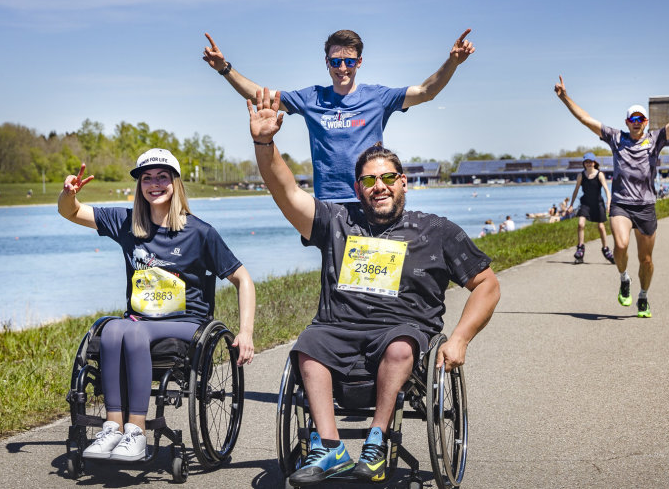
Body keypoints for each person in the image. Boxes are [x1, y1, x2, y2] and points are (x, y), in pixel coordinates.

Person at [247, 88, 500, 485]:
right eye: (368, 180)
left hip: (403, 332)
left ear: (403, 182)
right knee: (308, 346)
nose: (378, 186)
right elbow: (286, 192)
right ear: (357, 187)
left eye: (386, 178)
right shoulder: (336, 221)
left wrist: (461, 339)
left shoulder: (435, 230)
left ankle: (376, 443)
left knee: (400, 346)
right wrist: (265, 142)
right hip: (339, 328)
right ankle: (329, 448)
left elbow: (486, 284)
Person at [58, 149, 256, 462]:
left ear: (175, 183)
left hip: (187, 322)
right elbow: (71, 212)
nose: (154, 184)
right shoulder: (127, 222)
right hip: (139, 320)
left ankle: (136, 433)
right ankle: (112, 427)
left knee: (133, 332)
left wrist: (246, 332)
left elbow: (243, 279)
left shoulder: (200, 232)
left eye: (163, 177)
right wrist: (67, 194)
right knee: (111, 330)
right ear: (139, 186)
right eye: (147, 178)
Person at [203, 29, 476, 202]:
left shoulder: (377, 97)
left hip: (373, 199)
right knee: (334, 283)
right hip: (329, 203)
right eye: (335, 61)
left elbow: (426, 91)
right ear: (327, 63)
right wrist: (224, 68)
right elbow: (260, 95)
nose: (342, 67)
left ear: (359, 62)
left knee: (373, 282)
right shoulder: (311, 98)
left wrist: (453, 62)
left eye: (348, 61)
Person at [554, 72, 669, 319]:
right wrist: (565, 98)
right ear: (627, 122)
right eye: (632, 119)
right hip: (621, 205)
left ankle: (643, 297)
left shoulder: (655, 139)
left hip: (646, 206)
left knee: (646, 259)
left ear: (646, 122)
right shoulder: (616, 138)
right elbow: (586, 119)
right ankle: (624, 278)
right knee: (621, 244)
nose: (637, 122)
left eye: (641, 119)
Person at [569, 152, 614, 263]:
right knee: (580, 224)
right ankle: (580, 249)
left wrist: (608, 203)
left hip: (598, 203)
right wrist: (571, 205)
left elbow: (606, 190)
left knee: (601, 227)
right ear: (584, 164)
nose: (588, 164)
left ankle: (606, 250)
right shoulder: (581, 175)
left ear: (594, 163)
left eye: (590, 162)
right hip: (585, 203)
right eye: (586, 162)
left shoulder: (599, 174)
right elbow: (575, 191)